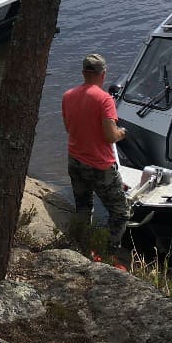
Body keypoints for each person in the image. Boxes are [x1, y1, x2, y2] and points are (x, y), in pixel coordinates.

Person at [61, 52, 130, 249]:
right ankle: (109, 252)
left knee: (83, 207)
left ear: (83, 72)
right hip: (99, 166)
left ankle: (79, 246)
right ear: (103, 74)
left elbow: (68, 128)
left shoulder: (68, 96)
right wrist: (122, 133)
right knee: (120, 213)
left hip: (75, 160)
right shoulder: (105, 100)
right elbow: (110, 136)